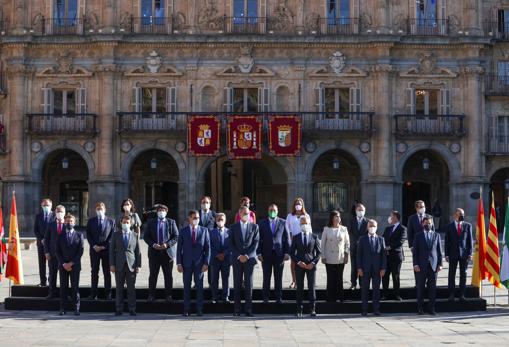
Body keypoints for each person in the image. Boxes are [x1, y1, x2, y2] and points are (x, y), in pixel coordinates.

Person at [177, 210, 210, 316]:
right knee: (186, 287)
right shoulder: (183, 231)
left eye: (198, 218)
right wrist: (179, 263)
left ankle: (199, 309)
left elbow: (208, 248)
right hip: (186, 263)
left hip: (199, 263)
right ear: (189, 219)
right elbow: (179, 249)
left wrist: (206, 263)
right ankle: (186, 309)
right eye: (194, 218)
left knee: (199, 287)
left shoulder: (204, 230)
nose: (197, 220)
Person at [143, 204, 179, 302]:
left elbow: (176, 236)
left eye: (163, 210)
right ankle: (151, 295)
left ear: (166, 212)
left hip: (167, 253)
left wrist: (167, 245)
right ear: (157, 212)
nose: (161, 211)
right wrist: (153, 245)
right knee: (153, 275)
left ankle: (168, 295)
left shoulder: (171, 222)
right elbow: (146, 237)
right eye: (159, 210)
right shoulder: (151, 222)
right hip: (154, 253)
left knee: (168, 275)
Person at [230, 206, 260, 317]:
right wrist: (239, 256)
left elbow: (255, 243)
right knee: (237, 284)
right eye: (244, 213)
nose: (246, 215)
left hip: (249, 260)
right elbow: (231, 244)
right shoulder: (233, 227)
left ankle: (248, 309)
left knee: (249, 284)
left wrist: (247, 255)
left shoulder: (254, 227)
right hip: (237, 260)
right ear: (239, 213)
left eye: (248, 213)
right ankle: (237, 309)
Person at [257, 204, 289, 304]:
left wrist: (287, 252)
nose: (272, 211)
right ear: (268, 211)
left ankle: (278, 298)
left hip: (279, 254)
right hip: (266, 254)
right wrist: (258, 253)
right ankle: (266, 298)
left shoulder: (283, 222)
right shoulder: (262, 223)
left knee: (278, 277)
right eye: (271, 210)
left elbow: (286, 238)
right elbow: (258, 239)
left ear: (277, 211)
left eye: (274, 210)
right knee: (266, 277)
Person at [290, 215, 321, 317]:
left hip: (311, 266)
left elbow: (319, 253)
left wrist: (313, 263)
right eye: (302, 223)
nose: (304, 225)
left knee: (311, 287)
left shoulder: (314, 237)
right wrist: (298, 262)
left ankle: (312, 309)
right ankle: (299, 309)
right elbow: (292, 252)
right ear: (300, 224)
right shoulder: (296, 237)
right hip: (299, 266)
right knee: (299, 288)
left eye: (306, 223)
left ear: (309, 224)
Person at [110, 216, 141, 316]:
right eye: (124, 222)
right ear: (121, 223)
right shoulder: (115, 235)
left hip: (131, 265)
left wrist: (138, 265)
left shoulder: (135, 235)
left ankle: (132, 309)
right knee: (119, 288)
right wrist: (112, 264)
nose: (126, 224)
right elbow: (111, 251)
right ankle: (119, 309)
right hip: (119, 265)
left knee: (131, 288)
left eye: (127, 222)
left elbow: (138, 252)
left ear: (131, 223)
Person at [413, 215, 443, 315]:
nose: (428, 225)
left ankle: (431, 308)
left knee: (432, 288)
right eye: (426, 223)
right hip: (421, 266)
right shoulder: (418, 236)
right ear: (422, 224)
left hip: (433, 266)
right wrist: (415, 264)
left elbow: (439, 251)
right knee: (420, 288)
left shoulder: (436, 235)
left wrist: (440, 264)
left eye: (429, 223)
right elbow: (415, 252)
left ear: (432, 224)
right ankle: (420, 308)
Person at [55, 214, 84, 316]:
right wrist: (63, 263)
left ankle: (76, 308)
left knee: (75, 287)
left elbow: (80, 251)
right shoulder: (60, 235)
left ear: (74, 223)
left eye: (71, 221)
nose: (69, 223)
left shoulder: (79, 236)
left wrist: (71, 263)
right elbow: (57, 251)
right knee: (63, 288)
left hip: (75, 266)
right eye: (67, 221)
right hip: (63, 266)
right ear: (64, 223)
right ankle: (63, 308)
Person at [357, 219, 386, 316]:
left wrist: (383, 268)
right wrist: (359, 268)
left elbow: (383, 255)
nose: (372, 228)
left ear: (377, 227)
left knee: (376, 290)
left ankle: (376, 309)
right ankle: (364, 309)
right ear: (367, 227)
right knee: (365, 289)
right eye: (370, 226)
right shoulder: (362, 239)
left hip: (377, 269)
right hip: (365, 269)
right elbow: (359, 255)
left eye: (374, 226)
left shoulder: (381, 239)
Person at [86, 202, 115, 300]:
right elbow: (88, 235)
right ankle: (93, 293)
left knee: (107, 272)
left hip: (106, 251)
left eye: (101, 208)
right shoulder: (91, 221)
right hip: (94, 251)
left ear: (105, 209)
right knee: (94, 272)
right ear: (95, 210)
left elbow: (112, 236)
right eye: (98, 209)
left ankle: (108, 294)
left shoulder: (111, 221)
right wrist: (94, 246)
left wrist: (104, 247)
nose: (99, 210)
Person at [444, 208, 473, 302]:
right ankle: (451, 294)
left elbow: (470, 241)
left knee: (463, 274)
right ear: (455, 215)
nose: (461, 215)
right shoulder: (449, 226)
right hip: (452, 254)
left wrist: (470, 253)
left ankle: (462, 295)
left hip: (464, 254)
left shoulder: (468, 226)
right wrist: (446, 254)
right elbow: (446, 242)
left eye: (462, 214)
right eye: (459, 214)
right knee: (451, 274)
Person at [321, 210, 350, 303]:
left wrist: (346, 255)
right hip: (329, 257)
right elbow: (322, 244)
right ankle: (330, 298)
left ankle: (340, 297)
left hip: (340, 257)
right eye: (336, 216)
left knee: (339, 278)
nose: (338, 218)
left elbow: (347, 243)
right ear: (332, 218)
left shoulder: (344, 229)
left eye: (339, 216)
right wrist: (323, 256)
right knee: (330, 278)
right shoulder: (326, 229)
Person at [382, 211, 407, 301]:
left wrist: (389, 247)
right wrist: (384, 246)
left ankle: (397, 295)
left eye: (391, 216)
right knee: (385, 276)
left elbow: (400, 241)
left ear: (395, 217)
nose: (389, 218)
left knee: (395, 276)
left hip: (396, 256)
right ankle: (385, 295)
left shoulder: (403, 228)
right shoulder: (387, 229)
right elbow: (383, 239)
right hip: (387, 256)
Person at [285, 197, 310, 289]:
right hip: (293, 240)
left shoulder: (306, 216)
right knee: (293, 261)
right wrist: (290, 235)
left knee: (303, 260)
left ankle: (301, 282)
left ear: (302, 205)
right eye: (296, 204)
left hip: (303, 241)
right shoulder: (290, 216)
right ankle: (294, 281)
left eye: (299, 204)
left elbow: (309, 229)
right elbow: (286, 227)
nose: (298, 206)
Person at [43, 205, 66, 299]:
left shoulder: (68, 223)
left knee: (64, 275)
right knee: (52, 274)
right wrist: (46, 252)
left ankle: (64, 294)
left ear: (64, 213)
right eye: (57, 211)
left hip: (65, 255)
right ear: (55, 213)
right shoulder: (51, 224)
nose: (59, 213)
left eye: (61, 211)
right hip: (52, 254)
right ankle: (51, 293)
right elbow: (46, 239)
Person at [209, 213, 231, 303]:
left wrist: (224, 254)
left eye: (222, 219)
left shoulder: (230, 232)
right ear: (215, 220)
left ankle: (225, 296)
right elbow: (209, 245)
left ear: (225, 221)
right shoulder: (211, 232)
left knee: (226, 278)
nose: (220, 221)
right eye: (218, 219)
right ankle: (215, 297)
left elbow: (231, 245)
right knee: (214, 279)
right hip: (215, 259)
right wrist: (217, 254)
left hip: (226, 259)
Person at [34, 198, 54, 287]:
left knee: (51, 263)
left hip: (51, 244)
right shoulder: (38, 216)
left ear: (51, 206)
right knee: (42, 263)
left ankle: (51, 281)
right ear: (41, 206)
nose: (46, 207)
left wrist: (49, 239)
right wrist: (41, 239)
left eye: (48, 205)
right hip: (41, 243)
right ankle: (43, 282)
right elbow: (35, 230)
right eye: (44, 205)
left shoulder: (54, 216)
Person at [407, 200, 427, 286]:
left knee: (428, 264)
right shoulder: (412, 218)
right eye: (420, 207)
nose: (422, 208)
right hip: (416, 245)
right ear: (416, 208)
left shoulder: (429, 217)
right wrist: (411, 246)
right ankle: (418, 282)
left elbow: (433, 232)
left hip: (428, 245)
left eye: (423, 206)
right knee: (417, 264)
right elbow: (409, 233)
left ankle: (427, 282)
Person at [348, 203, 368, 290]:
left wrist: (361, 241)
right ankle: (353, 283)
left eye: (362, 210)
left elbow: (369, 233)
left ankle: (362, 284)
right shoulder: (351, 221)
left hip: (364, 249)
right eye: (359, 210)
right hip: (354, 247)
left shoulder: (367, 221)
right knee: (354, 266)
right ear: (356, 211)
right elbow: (350, 232)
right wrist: (356, 241)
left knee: (362, 266)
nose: (361, 212)